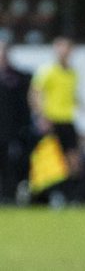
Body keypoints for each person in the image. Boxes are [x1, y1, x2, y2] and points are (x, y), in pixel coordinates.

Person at [30, 36, 82, 201]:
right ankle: (54, 195)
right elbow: (35, 93)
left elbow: (71, 96)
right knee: (52, 161)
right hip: (52, 121)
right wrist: (41, 116)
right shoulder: (48, 71)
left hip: (67, 120)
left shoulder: (73, 73)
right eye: (60, 48)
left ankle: (71, 195)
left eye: (66, 48)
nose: (63, 52)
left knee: (73, 161)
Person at [0, 40, 34, 202]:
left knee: (11, 163)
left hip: (12, 130)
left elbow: (25, 105)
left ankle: (8, 195)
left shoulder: (18, 77)